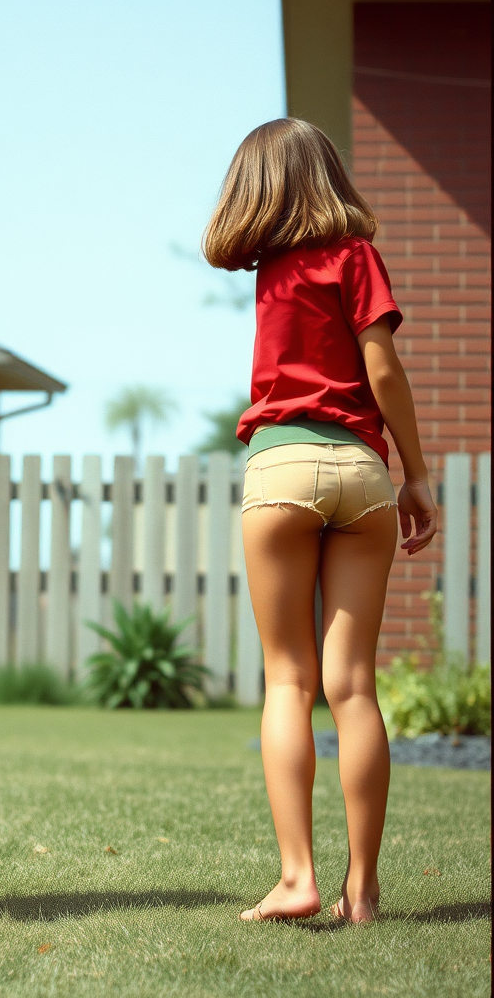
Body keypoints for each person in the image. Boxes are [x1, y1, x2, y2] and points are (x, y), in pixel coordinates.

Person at [203, 118, 439, 924]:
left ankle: (298, 876)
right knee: (353, 686)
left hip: (279, 468)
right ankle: (363, 892)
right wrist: (419, 473)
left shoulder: (272, 270)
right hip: (360, 472)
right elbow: (383, 367)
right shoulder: (356, 256)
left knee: (288, 680)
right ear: (329, 178)